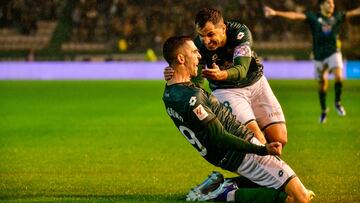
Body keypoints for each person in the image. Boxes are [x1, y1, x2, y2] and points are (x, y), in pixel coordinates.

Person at [162, 35, 314, 203]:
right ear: (181, 58)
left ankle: (219, 185)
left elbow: (189, 85)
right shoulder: (193, 97)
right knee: (301, 198)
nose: (199, 56)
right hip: (243, 150)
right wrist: (263, 149)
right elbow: (220, 136)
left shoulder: (169, 94)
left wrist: (172, 71)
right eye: (194, 52)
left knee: (273, 183)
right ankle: (224, 194)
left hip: (224, 157)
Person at [164, 8, 287, 149]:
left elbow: (241, 70)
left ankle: (255, 167)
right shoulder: (198, 45)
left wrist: (222, 74)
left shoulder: (240, 33)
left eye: (210, 34)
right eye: (201, 36)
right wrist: (175, 71)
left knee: (280, 138)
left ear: (223, 28)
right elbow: (196, 80)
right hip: (226, 90)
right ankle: (277, 170)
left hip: (255, 82)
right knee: (257, 138)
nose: (206, 41)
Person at [264, 1, 360, 123]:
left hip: (333, 52)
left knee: (339, 77)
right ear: (321, 6)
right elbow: (295, 16)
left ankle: (337, 102)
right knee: (322, 84)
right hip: (319, 56)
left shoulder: (338, 16)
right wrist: (276, 13)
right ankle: (324, 110)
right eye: (328, 3)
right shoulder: (314, 17)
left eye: (333, 3)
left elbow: (354, 12)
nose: (332, 5)